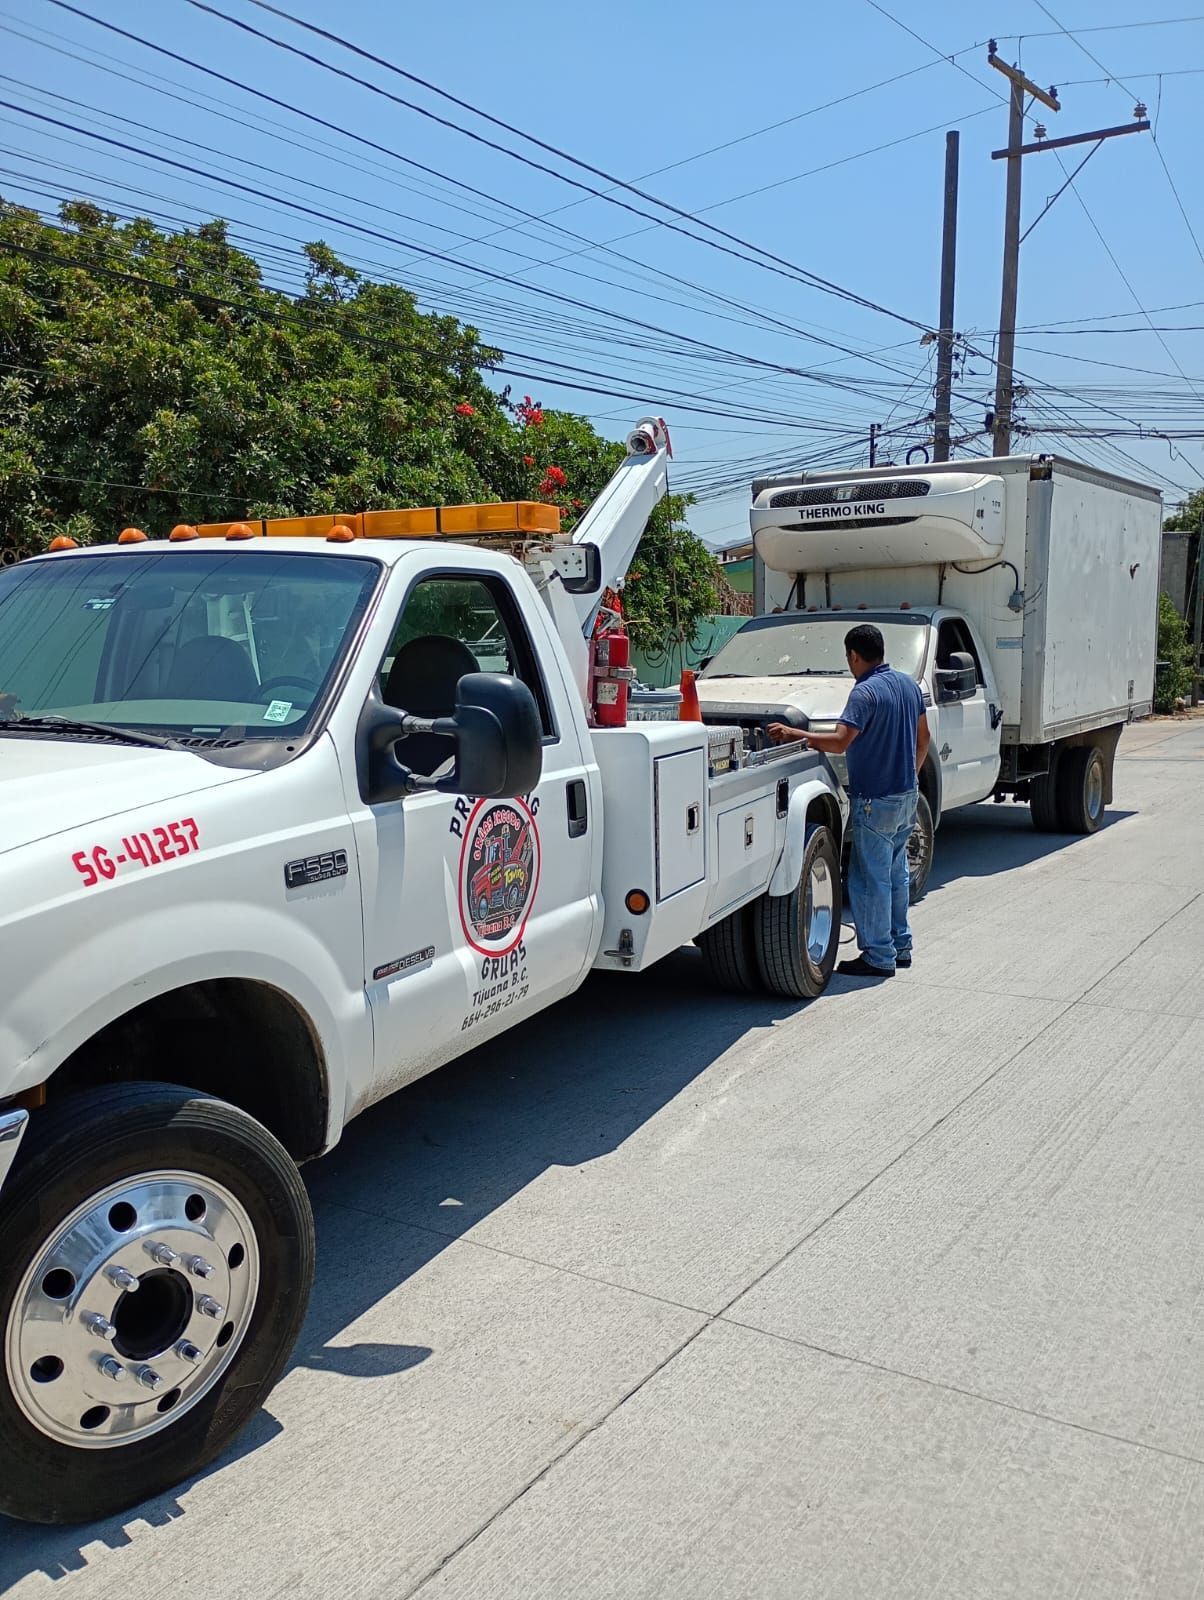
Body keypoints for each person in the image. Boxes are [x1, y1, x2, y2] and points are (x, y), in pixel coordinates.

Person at [768, 622, 930, 979]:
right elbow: (924, 739)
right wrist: (910, 776)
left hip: (876, 800)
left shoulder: (864, 693)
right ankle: (900, 945)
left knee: (869, 880)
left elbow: (841, 741)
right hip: (906, 796)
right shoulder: (908, 685)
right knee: (896, 875)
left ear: (854, 655)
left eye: (848, 657)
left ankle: (878, 956)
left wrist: (796, 734)